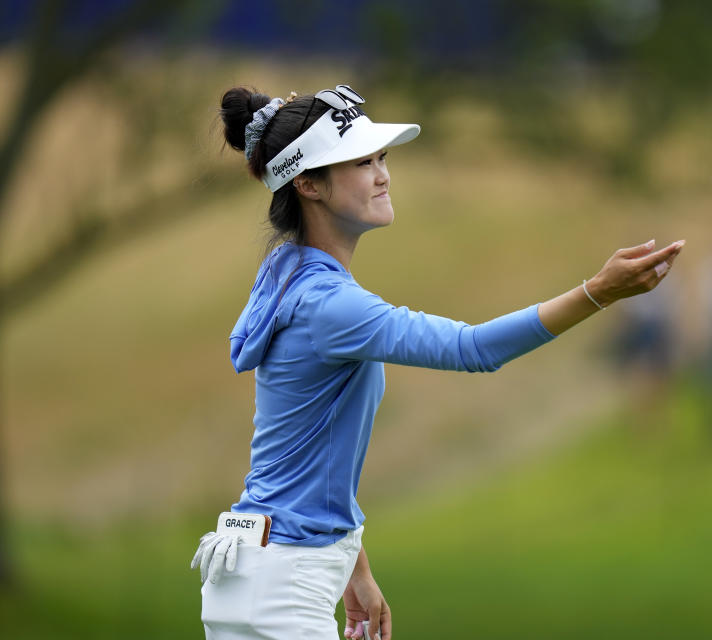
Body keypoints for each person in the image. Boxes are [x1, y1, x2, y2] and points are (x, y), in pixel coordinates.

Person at [190, 84, 684, 640]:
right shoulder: (330, 304)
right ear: (307, 183)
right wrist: (599, 292)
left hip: (253, 565)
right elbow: (473, 349)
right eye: (360, 162)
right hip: (283, 583)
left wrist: (354, 565)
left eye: (382, 158)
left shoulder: (285, 272)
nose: (382, 174)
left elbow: (305, 447)